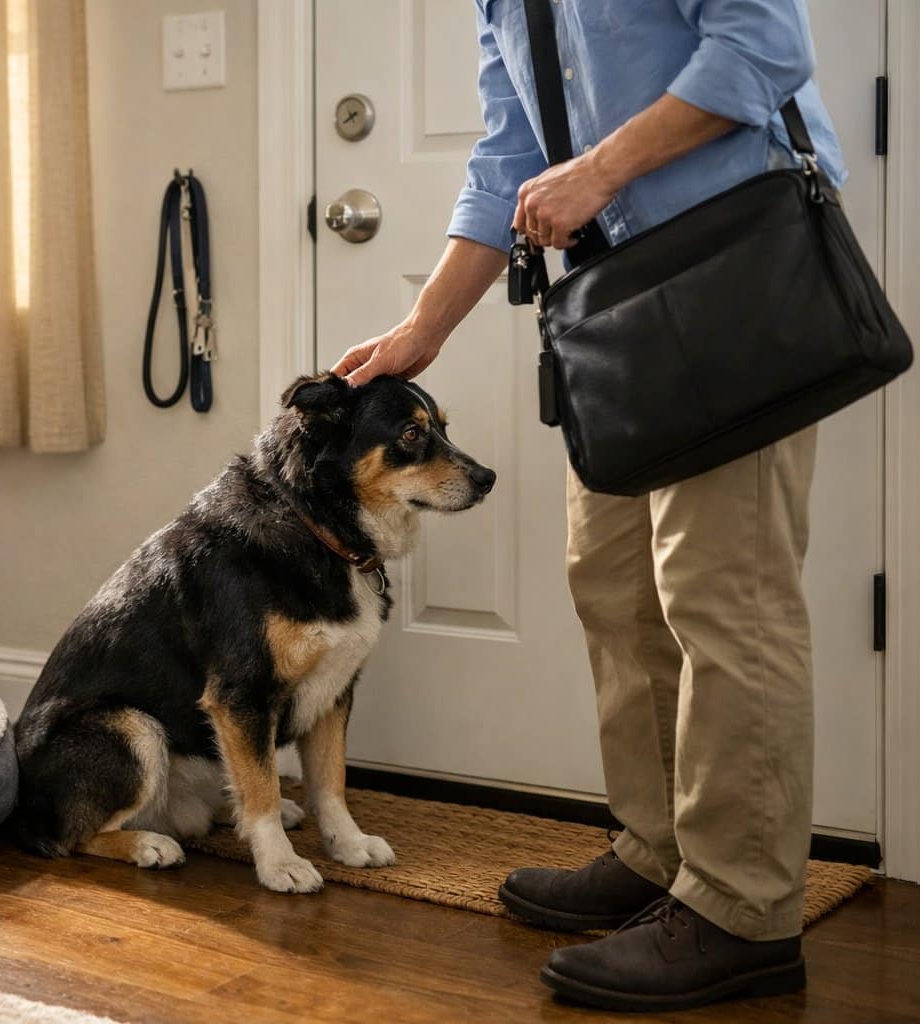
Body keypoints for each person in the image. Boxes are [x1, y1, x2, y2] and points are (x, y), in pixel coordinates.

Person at [332, 0, 845, 1013]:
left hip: (734, 268)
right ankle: (661, 854)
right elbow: (511, 150)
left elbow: (764, 43)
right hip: (617, 301)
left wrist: (602, 171)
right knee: (612, 583)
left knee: (724, 594)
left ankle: (742, 910)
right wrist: (420, 330)